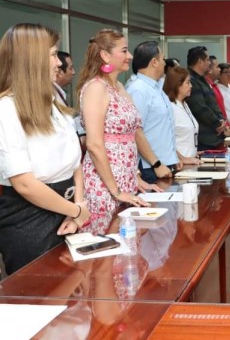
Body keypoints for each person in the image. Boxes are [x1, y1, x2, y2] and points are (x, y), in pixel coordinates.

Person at [0, 23, 90, 274]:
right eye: (52, 54)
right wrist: (76, 210)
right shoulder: (7, 109)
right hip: (31, 219)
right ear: (32, 60)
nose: (58, 63)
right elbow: (25, 184)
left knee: (73, 296)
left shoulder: (53, 104)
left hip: (67, 211)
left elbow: (76, 164)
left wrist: (78, 206)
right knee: (43, 298)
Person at [77, 29, 163, 234]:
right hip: (105, 183)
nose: (130, 56)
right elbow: (95, 145)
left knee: (126, 244)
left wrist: (136, 178)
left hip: (124, 180)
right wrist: (116, 190)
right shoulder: (96, 88)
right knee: (106, 247)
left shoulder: (119, 87)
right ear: (105, 56)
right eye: (124, 51)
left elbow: (129, 138)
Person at [127, 41, 180, 184]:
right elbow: (136, 132)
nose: (164, 63)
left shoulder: (156, 88)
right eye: (162, 59)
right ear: (154, 62)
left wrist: (174, 158)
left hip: (163, 164)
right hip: (150, 167)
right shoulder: (138, 89)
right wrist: (156, 164)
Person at [185, 46, 228, 149]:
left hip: (214, 136)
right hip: (204, 139)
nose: (209, 62)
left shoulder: (203, 80)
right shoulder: (191, 80)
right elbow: (200, 107)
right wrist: (217, 124)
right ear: (200, 61)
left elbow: (213, 103)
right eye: (207, 59)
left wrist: (221, 119)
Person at [163, 66, 201, 165]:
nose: (191, 86)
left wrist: (193, 152)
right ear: (177, 84)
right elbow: (165, 141)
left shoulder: (184, 104)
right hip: (179, 165)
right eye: (188, 82)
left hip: (190, 162)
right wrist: (183, 158)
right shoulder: (170, 107)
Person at [205, 55, 230, 132]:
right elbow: (211, 110)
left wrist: (227, 124)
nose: (219, 69)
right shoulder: (206, 86)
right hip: (216, 129)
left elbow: (220, 108)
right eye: (217, 67)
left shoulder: (214, 85)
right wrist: (223, 125)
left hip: (223, 126)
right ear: (210, 70)